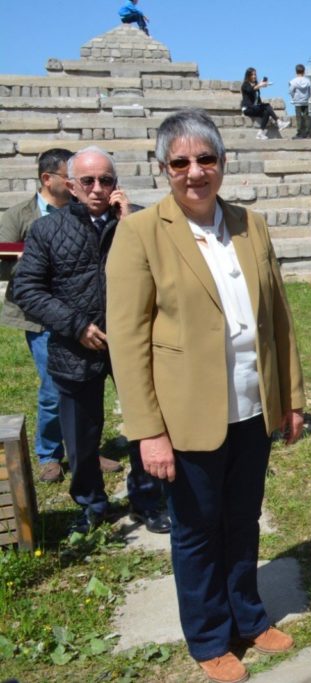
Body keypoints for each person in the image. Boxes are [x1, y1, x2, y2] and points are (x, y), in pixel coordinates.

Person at [106, 109, 306, 683]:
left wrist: (290, 396)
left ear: (222, 162)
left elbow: (278, 317)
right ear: (164, 169)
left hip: (251, 405)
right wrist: (148, 430)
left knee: (243, 518)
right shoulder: (141, 233)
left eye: (206, 159)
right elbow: (127, 340)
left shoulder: (250, 224)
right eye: (181, 163)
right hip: (185, 414)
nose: (195, 172)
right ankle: (210, 636)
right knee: (196, 531)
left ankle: (249, 616)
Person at [11, 146, 169, 535]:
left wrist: (129, 223)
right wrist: (75, 325)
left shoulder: (139, 222)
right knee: (80, 437)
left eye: (106, 180)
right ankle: (91, 503)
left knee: (145, 424)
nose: (98, 188)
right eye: (88, 180)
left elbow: (165, 274)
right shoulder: (47, 230)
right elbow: (26, 288)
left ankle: (148, 498)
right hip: (76, 347)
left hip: (134, 345)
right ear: (71, 186)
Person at [0, 148, 77, 483]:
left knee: (83, 386)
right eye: (70, 176)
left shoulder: (80, 211)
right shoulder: (18, 216)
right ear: (48, 179)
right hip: (39, 317)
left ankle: (84, 451)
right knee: (53, 387)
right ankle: (49, 454)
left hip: (78, 313)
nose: (76, 183)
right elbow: (4, 265)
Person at [241, 67, 289, 140]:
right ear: (248, 76)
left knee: (266, 112)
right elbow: (250, 90)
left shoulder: (256, 84)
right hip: (247, 109)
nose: (254, 76)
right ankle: (279, 122)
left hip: (254, 107)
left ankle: (260, 133)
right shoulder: (245, 84)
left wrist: (260, 85)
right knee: (267, 106)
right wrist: (260, 85)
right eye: (252, 75)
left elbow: (257, 98)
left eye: (255, 74)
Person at [289, 64, 311, 140]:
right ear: (304, 71)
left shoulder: (293, 81)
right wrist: (308, 97)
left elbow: (291, 91)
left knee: (298, 118)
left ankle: (299, 133)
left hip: (297, 102)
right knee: (306, 117)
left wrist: (293, 97)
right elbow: (310, 91)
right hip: (305, 101)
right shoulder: (307, 81)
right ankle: (308, 133)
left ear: (296, 72)